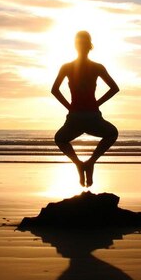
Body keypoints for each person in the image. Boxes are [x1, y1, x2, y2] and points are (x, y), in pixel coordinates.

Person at [51, 30, 119, 188]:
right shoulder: (97, 67)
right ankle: (90, 163)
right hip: (93, 116)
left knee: (60, 139)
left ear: (76, 46)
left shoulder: (67, 67)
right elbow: (114, 88)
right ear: (90, 46)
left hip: (75, 117)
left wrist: (70, 107)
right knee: (112, 133)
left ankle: (79, 164)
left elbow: (55, 90)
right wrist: (97, 103)